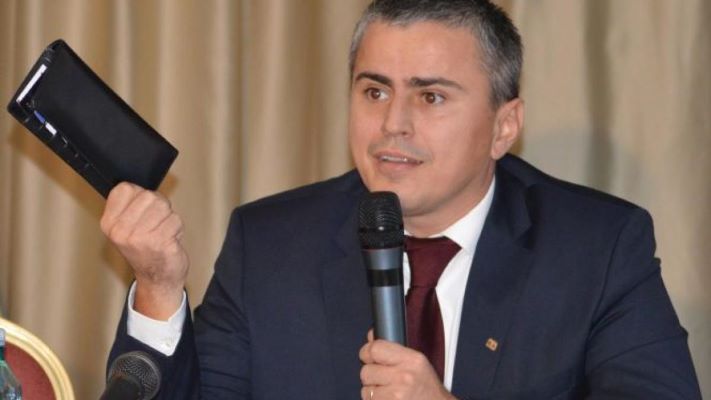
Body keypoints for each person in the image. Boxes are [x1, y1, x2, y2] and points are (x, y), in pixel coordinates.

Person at [101, 1, 702, 399]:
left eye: (430, 97)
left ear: (504, 126)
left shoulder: (596, 248)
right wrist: (158, 287)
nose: (393, 124)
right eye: (374, 91)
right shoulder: (270, 244)